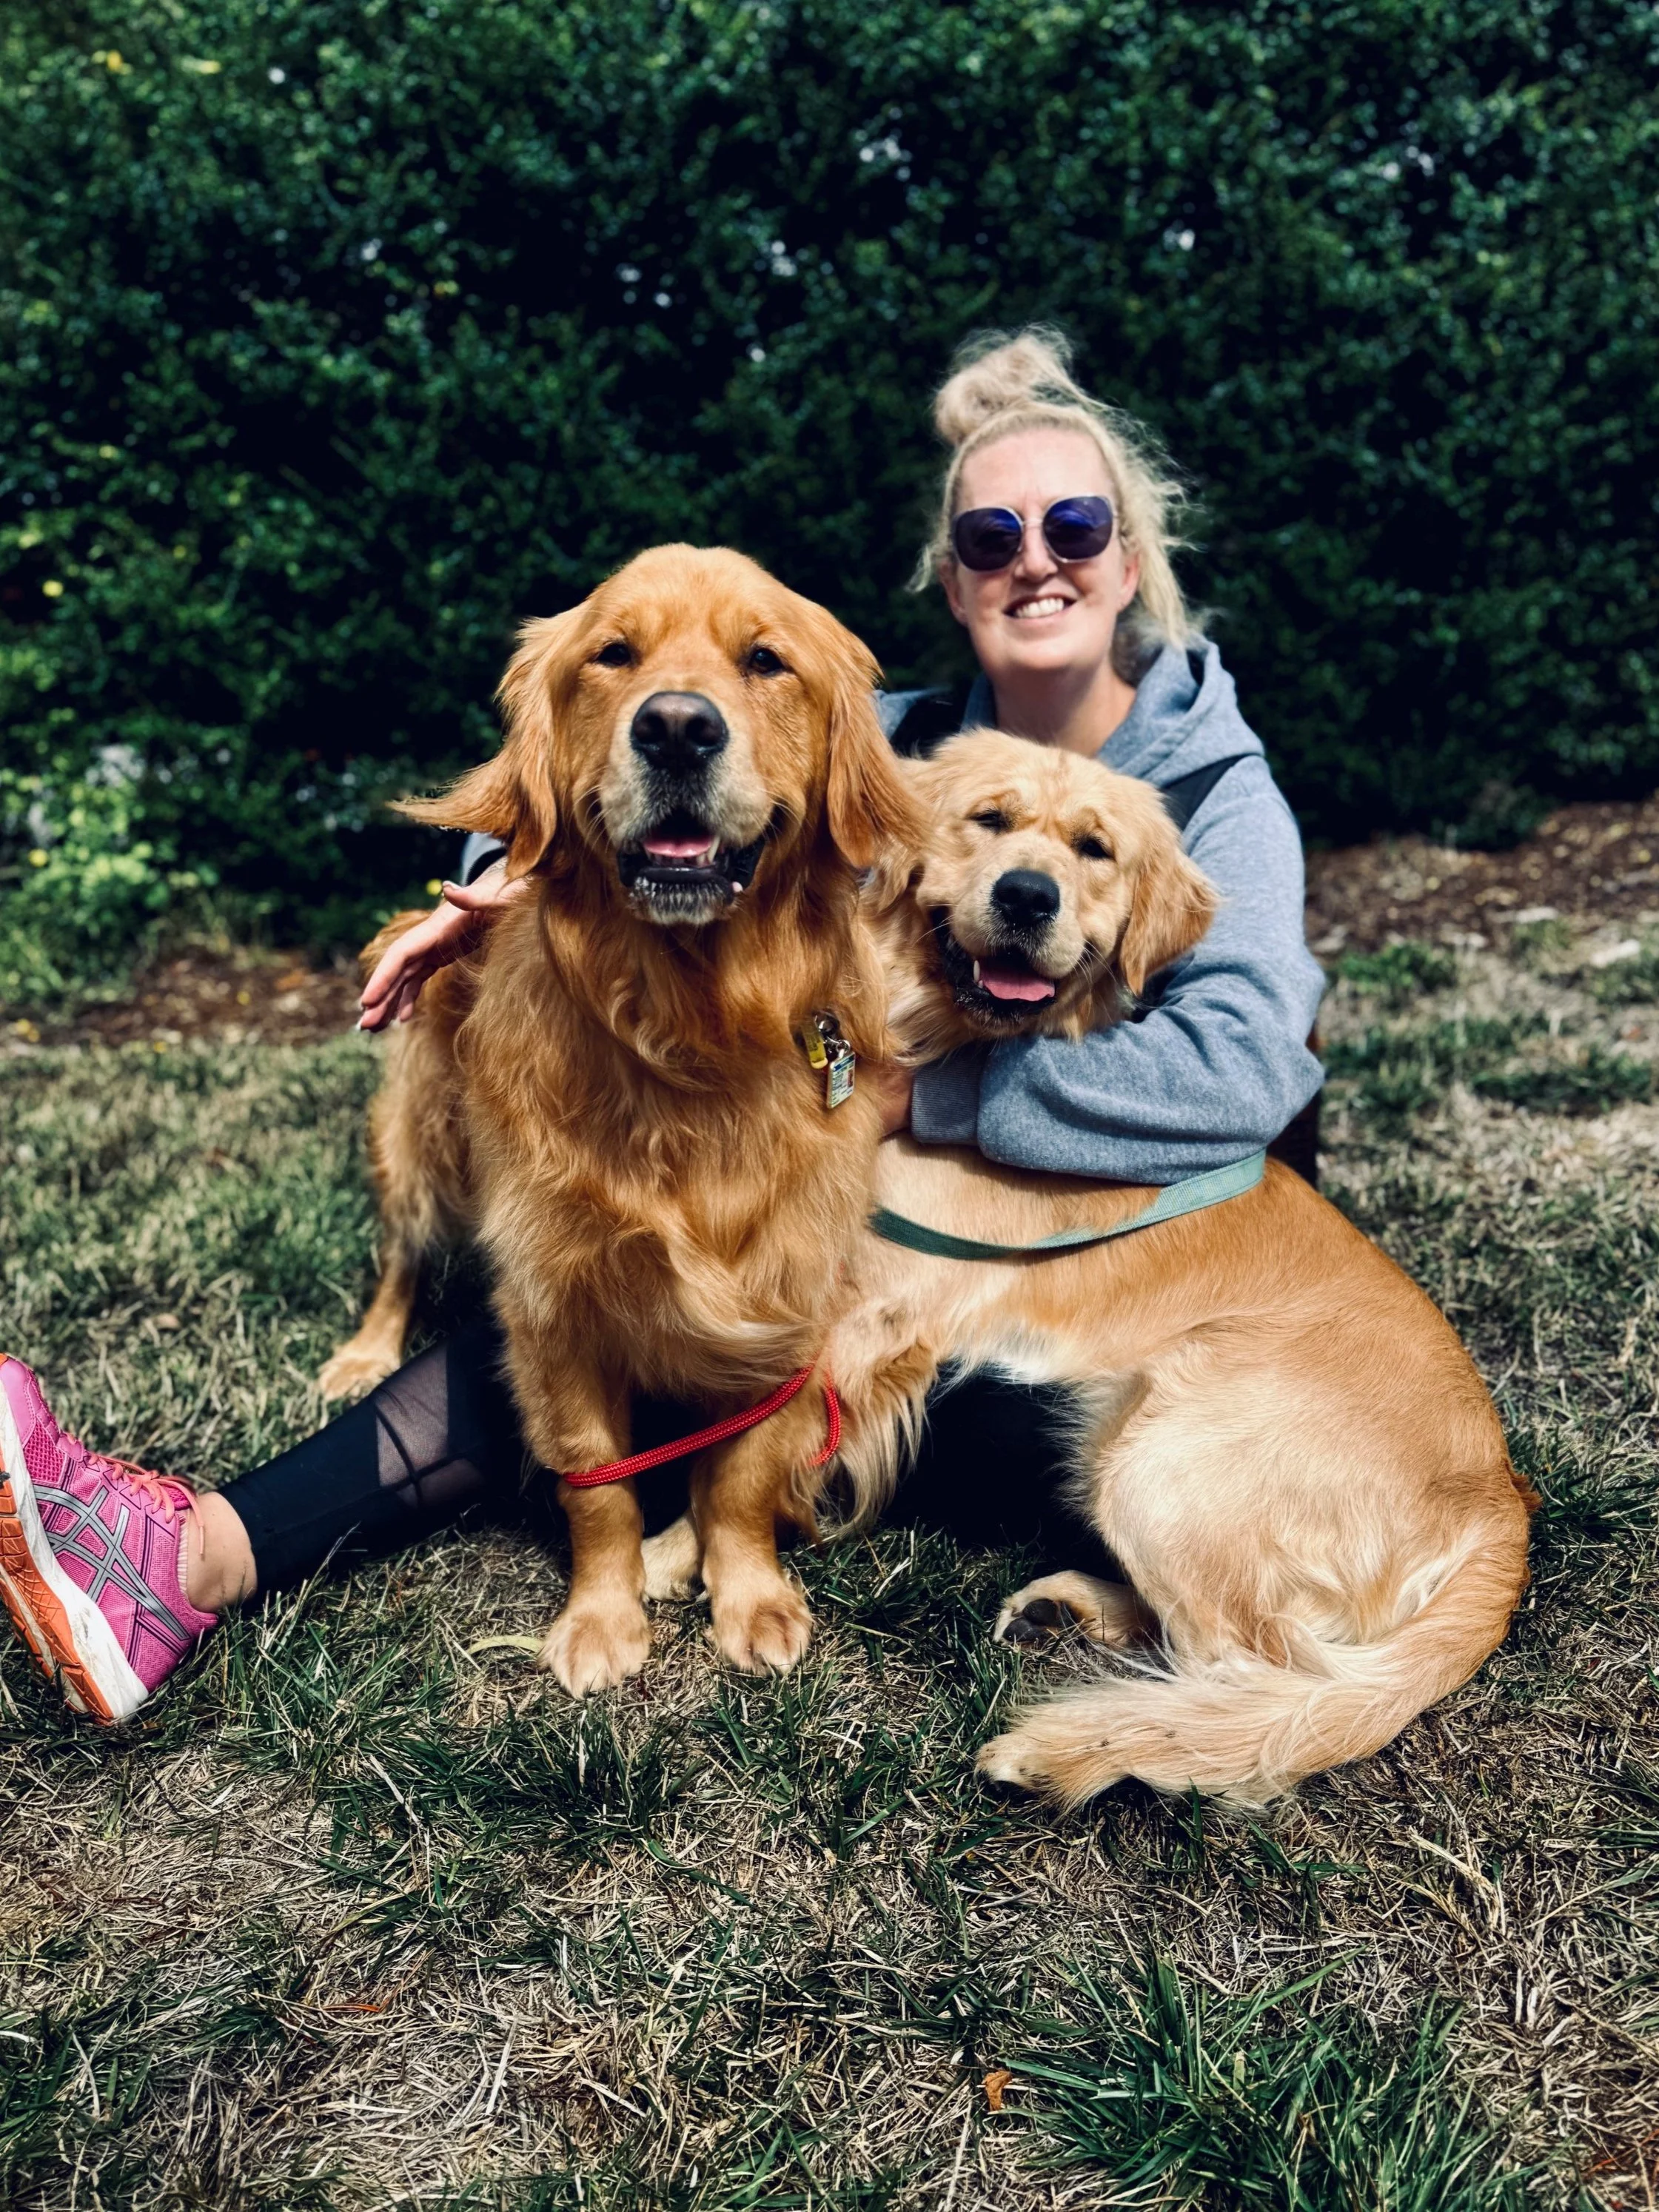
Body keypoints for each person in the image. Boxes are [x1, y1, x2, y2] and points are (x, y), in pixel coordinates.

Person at [0, 328, 1325, 1724]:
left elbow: (1248, 1066)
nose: (1033, 558)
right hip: (886, 1218)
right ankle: (198, 1555)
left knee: (775, 1351)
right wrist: (493, 895)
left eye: (1075, 526)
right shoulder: (894, 733)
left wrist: (909, 1101)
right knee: (603, 1300)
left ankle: (214, 1554)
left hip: (1091, 1271)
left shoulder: (1217, 791)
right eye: (991, 533)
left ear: (1131, 560)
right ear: (953, 578)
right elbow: (644, 777)